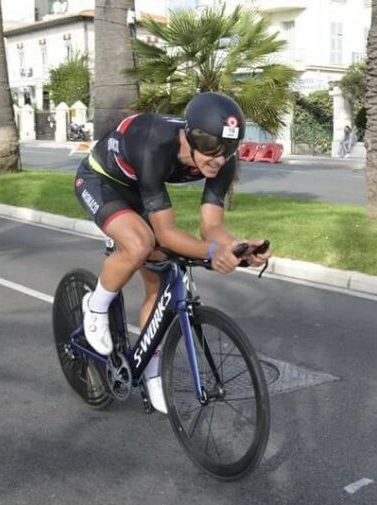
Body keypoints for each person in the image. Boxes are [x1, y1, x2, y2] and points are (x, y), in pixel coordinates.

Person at [73, 92, 272, 413]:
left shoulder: (221, 159)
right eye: (210, 148)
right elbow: (165, 233)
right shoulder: (156, 144)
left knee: (159, 276)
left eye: (228, 149)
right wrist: (212, 252)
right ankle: (95, 307)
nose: (218, 159)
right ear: (189, 137)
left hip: (140, 189)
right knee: (140, 244)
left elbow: (212, 227)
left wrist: (237, 246)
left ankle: (152, 372)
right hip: (101, 180)